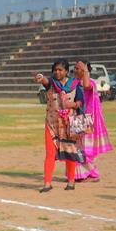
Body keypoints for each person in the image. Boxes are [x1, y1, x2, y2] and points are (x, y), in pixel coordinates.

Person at [34, 59, 85, 192]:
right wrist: (41, 78)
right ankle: (47, 183)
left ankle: (71, 182)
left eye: (60, 70)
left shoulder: (75, 84)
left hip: (69, 124)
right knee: (50, 153)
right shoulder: (52, 83)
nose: (57, 72)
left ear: (67, 71)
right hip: (51, 124)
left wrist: (72, 105)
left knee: (70, 152)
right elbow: (46, 81)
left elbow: (80, 101)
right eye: (55, 70)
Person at [74, 60, 113, 182]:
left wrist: (85, 70)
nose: (75, 70)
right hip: (77, 118)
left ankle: (91, 173)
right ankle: (78, 174)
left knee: (85, 149)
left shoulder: (90, 83)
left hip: (86, 119)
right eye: (75, 68)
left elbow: (86, 86)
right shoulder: (75, 83)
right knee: (76, 147)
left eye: (77, 68)